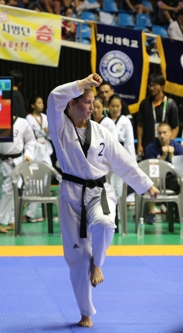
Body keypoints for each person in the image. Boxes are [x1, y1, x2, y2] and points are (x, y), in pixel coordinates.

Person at [47, 73, 159, 327]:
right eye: (87, 101)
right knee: (77, 259)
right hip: (71, 194)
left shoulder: (101, 131)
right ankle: (85, 312)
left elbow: (122, 161)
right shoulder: (60, 126)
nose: (92, 107)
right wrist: (82, 83)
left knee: (106, 224)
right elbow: (54, 96)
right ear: (72, 103)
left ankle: (99, 263)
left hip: (99, 191)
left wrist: (146, 184)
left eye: (93, 102)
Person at [0, 116, 36, 232]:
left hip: (15, 162)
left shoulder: (22, 122)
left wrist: (28, 154)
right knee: (3, 193)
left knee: (8, 191)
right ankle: (11, 220)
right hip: (0, 161)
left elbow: (31, 140)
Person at [143, 122, 183, 223]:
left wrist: (173, 156)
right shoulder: (151, 148)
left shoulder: (177, 148)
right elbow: (150, 170)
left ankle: (179, 213)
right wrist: (164, 156)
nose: (162, 136)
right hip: (157, 180)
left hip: (173, 179)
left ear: (170, 133)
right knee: (151, 179)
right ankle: (151, 213)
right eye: (159, 133)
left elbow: (180, 170)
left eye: (164, 133)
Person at [137, 73, 179, 157]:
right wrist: (139, 144)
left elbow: (175, 127)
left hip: (165, 146)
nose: (151, 88)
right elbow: (140, 125)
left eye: (155, 85)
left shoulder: (171, 104)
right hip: (149, 146)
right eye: (150, 85)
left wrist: (169, 143)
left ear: (162, 86)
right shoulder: (145, 104)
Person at [25, 95, 52, 222]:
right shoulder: (28, 119)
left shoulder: (45, 118)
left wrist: (48, 132)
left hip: (45, 148)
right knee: (34, 180)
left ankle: (44, 212)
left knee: (46, 178)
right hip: (34, 149)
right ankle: (31, 213)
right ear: (33, 105)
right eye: (39, 102)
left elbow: (52, 134)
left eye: (42, 103)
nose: (42, 105)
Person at [108, 94, 137, 203]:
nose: (115, 109)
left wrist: (132, 162)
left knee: (118, 187)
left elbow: (129, 143)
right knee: (107, 187)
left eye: (117, 106)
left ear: (121, 106)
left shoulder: (125, 121)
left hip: (120, 156)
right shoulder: (105, 120)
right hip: (107, 156)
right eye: (113, 106)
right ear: (108, 106)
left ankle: (119, 215)